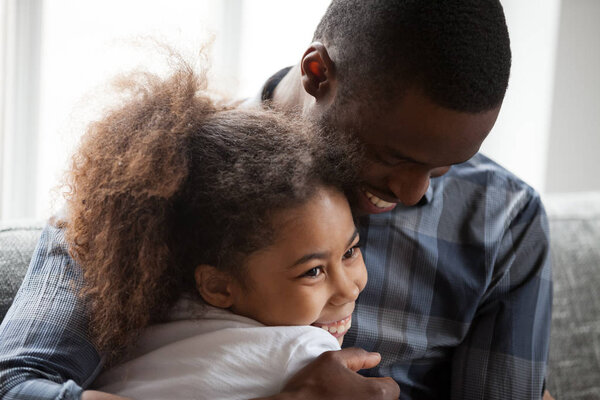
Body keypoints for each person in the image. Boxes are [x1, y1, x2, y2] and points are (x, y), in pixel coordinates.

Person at [0, 1, 551, 399]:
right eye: (394, 156)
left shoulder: (503, 219)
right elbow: (15, 384)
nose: (414, 193)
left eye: (441, 168)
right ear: (318, 73)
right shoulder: (151, 183)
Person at [55, 62, 370, 399]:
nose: (348, 288)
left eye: (350, 252)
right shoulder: (306, 354)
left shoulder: (146, 325)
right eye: (314, 271)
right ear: (218, 286)